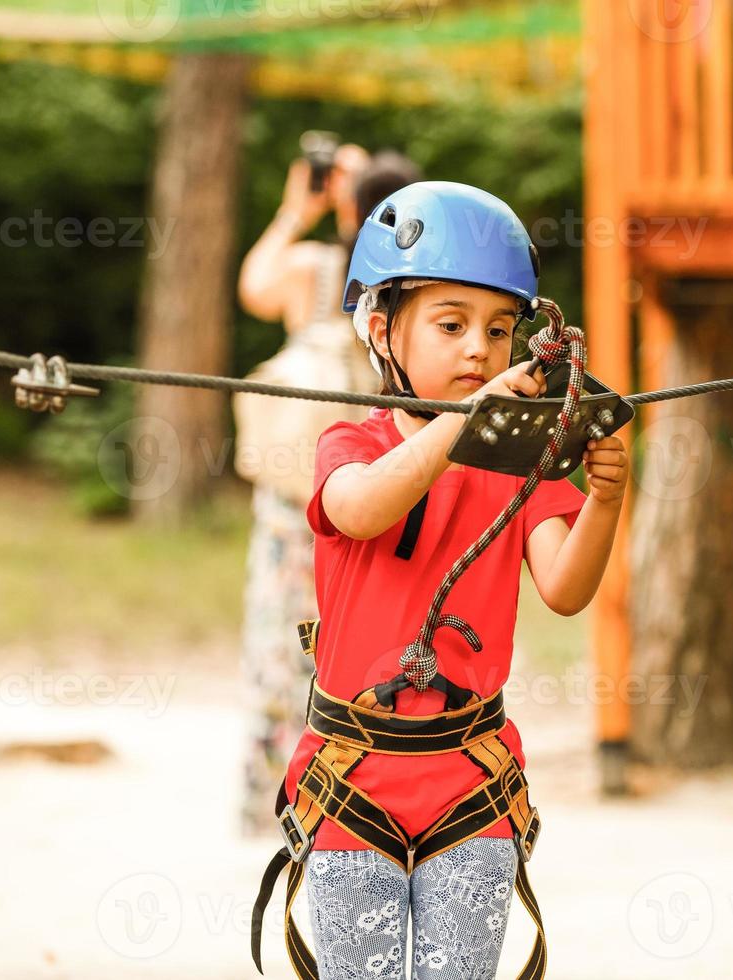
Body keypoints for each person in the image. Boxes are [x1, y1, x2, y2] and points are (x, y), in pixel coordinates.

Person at [251, 182, 630, 980]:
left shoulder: (522, 464)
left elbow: (564, 587)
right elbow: (356, 510)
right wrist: (463, 426)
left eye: (499, 331)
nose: (479, 351)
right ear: (383, 333)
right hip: (354, 779)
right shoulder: (350, 442)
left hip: (471, 784)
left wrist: (604, 498)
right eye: (451, 325)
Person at [234, 145, 423, 838]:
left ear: (347, 202)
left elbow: (253, 286)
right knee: (363, 644)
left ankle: (274, 798)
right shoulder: (411, 288)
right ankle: (359, 795)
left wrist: (297, 206)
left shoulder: (315, 271)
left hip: (296, 493)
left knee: (283, 643)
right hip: (378, 491)